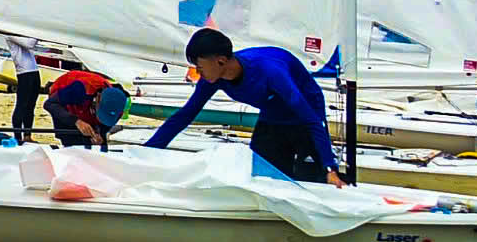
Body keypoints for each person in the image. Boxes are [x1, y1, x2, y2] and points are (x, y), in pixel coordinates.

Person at [142, 27, 348, 185]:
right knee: (261, 179)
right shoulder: (213, 78)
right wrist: (147, 153)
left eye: (200, 66)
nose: (198, 71)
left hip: (305, 115)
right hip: (272, 118)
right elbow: (185, 115)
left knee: (309, 180)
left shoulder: (270, 72)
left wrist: (330, 166)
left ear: (221, 61)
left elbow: (311, 119)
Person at [41, 67, 127, 149]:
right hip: (62, 100)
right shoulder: (81, 89)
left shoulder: (117, 105)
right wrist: (76, 121)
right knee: (71, 141)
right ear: (97, 100)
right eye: (98, 114)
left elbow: (106, 124)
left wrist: (100, 133)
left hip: (85, 103)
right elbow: (49, 104)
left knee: (99, 146)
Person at [5, 34, 43, 143]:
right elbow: (29, 43)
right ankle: (17, 137)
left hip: (33, 70)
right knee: (21, 105)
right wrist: (38, 32)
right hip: (24, 73)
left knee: (30, 106)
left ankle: (27, 135)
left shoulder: (20, 32)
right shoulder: (8, 33)